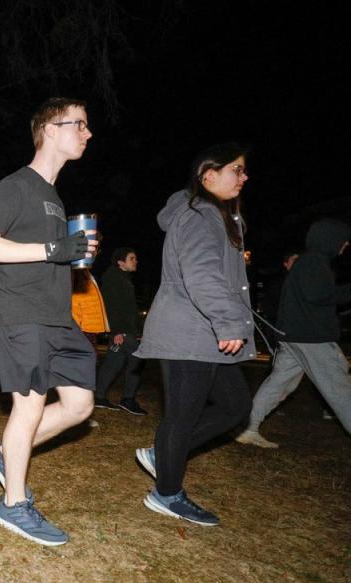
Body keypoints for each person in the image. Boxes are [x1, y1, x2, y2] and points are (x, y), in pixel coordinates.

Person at [0, 97, 98, 545]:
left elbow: (52, 255)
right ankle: (13, 504)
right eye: (78, 124)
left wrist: (71, 255)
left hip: (58, 317)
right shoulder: (16, 187)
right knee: (28, 407)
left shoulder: (54, 197)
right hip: (22, 315)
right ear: (49, 128)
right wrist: (51, 251)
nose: (87, 133)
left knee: (80, 405)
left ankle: (5, 453)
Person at [133, 142, 255, 527]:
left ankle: (163, 454)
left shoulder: (216, 216)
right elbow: (201, 274)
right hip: (188, 331)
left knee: (236, 406)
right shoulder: (199, 214)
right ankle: (166, 493)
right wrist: (229, 322)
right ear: (209, 175)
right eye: (236, 169)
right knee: (182, 417)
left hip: (205, 335)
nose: (244, 176)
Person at [236, 219, 351, 447]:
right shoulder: (315, 263)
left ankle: (248, 428)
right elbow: (318, 295)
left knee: (279, 383)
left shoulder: (307, 263)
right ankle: (247, 427)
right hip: (312, 338)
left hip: (293, 337)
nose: (345, 246)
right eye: (343, 241)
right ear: (330, 239)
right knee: (340, 388)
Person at [93, 247, 147, 416]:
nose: (135, 261)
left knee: (113, 363)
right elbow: (111, 307)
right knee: (138, 359)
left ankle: (98, 397)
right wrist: (117, 331)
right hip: (122, 332)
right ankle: (128, 399)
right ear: (121, 262)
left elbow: (130, 309)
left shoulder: (123, 279)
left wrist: (139, 330)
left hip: (126, 331)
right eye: (132, 258)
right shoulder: (113, 279)